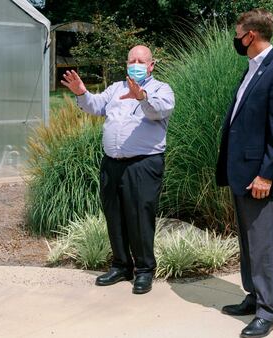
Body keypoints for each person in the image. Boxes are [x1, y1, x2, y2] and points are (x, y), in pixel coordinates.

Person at [61, 45, 175, 294]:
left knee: (139, 217)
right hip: (112, 163)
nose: (135, 64)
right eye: (131, 60)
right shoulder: (115, 88)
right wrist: (81, 92)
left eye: (141, 60)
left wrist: (141, 97)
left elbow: (160, 111)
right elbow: (95, 106)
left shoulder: (161, 89)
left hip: (143, 164)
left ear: (151, 65)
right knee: (115, 215)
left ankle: (144, 270)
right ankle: (121, 265)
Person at [216, 9, 273, 338]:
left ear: (250, 35)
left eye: (238, 33)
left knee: (263, 244)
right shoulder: (253, 69)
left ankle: (269, 311)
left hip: (259, 178)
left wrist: (267, 175)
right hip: (241, 173)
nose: (236, 39)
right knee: (249, 241)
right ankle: (254, 297)